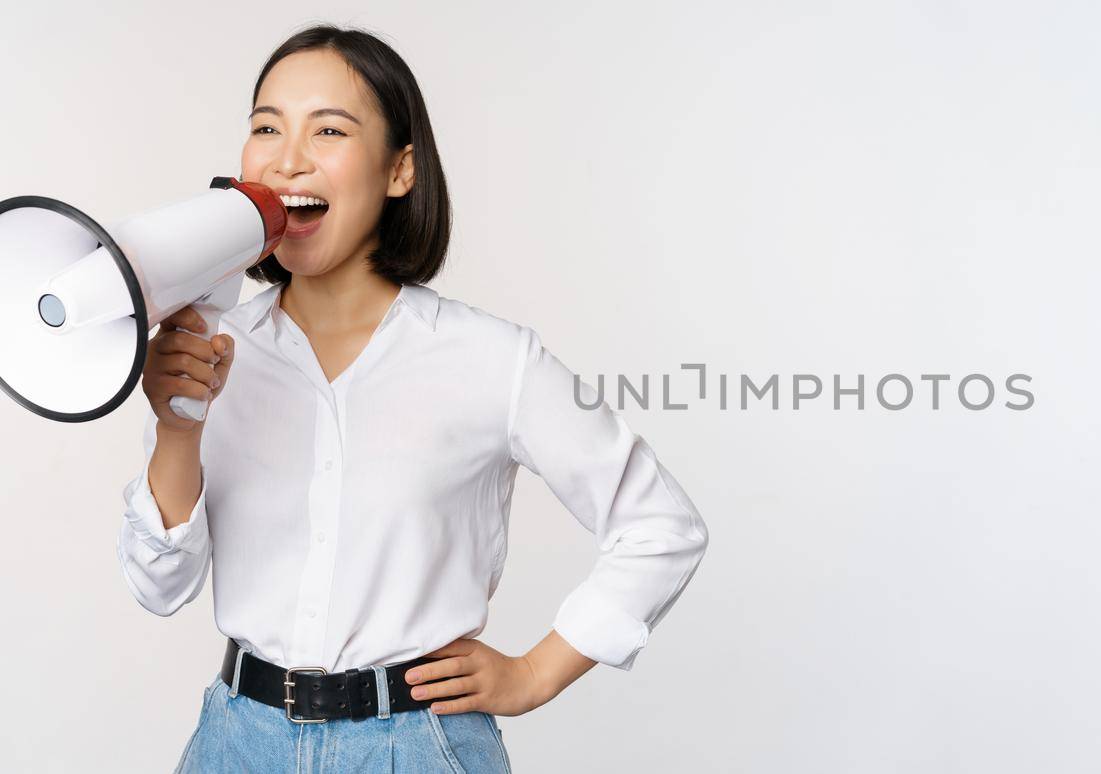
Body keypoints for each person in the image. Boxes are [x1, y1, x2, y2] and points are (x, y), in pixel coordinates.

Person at [114, 24, 709, 773]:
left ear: (400, 170)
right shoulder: (207, 344)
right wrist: (177, 427)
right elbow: (159, 587)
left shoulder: (491, 360)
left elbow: (661, 526)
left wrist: (535, 672)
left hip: (417, 748)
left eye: (329, 129)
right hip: (236, 743)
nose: (288, 157)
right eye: (266, 127)